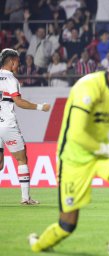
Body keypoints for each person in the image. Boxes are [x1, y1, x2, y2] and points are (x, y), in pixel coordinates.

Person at [28, 51, 109, 255]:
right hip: (74, 159)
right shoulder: (89, 86)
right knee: (67, 225)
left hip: (100, 156)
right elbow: (76, 134)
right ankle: (37, 244)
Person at [0, 48, 51, 204]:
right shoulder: (11, 80)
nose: (19, 65)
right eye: (18, 61)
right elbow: (19, 102)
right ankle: (25, 198)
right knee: (22, 159)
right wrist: (40, 107)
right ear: (11, 61)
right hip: (7, 124)